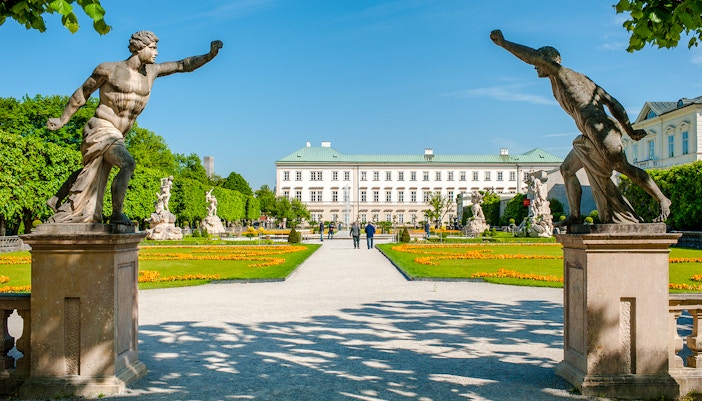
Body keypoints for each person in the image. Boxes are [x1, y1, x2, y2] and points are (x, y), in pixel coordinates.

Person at [490, 29, 671, 225]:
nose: (535, 67)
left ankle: (662, 199)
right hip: (588, 132)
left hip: (600, 129)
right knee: (566, 169)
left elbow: (533, 57)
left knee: (622, 167)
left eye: (540, 62)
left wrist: (504, 43)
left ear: (551, 61)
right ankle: (575, 216)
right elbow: (613, 102)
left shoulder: (563, 74)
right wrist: (629, 130)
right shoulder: (577, 79)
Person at [46, 31, 223, 225]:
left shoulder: (152, 72)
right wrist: (62, 119)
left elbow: (182, 65)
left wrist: (209, 55)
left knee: (92, 171)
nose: (156, 53)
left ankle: (56, 199)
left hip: (119, 133)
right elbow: (82, 92)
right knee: (128, 163)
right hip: (101, 127)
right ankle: (116, 214)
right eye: (153, 48)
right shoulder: (109, 69)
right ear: (139, 47)